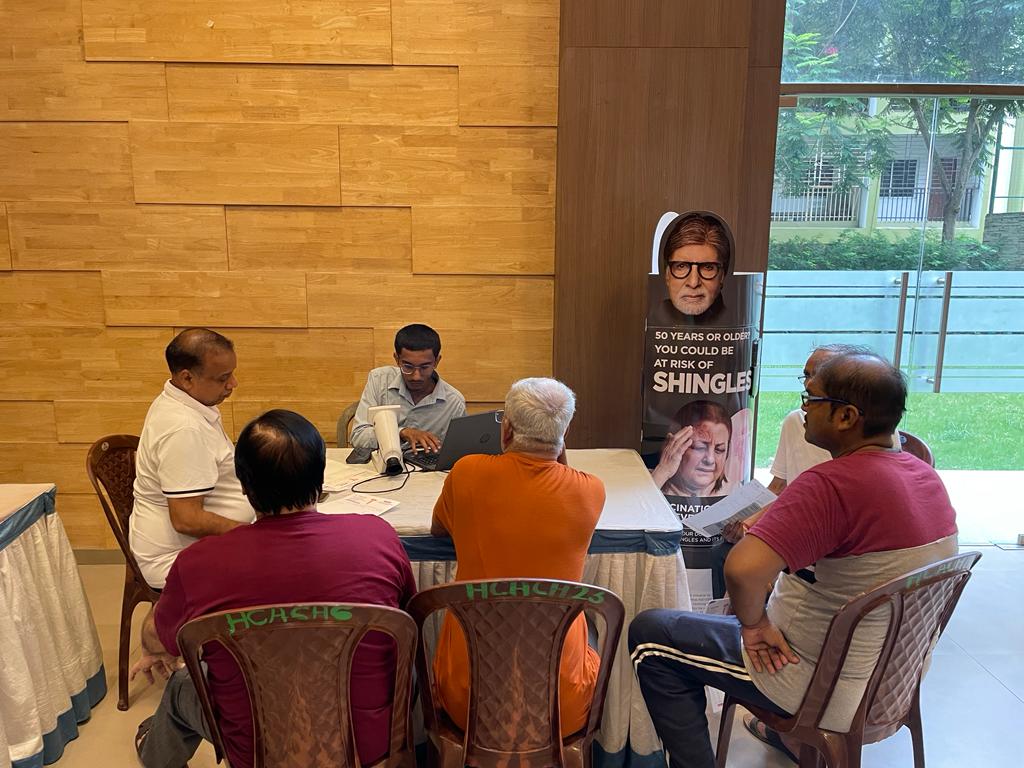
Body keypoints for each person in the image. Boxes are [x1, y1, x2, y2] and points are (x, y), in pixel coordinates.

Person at [629, 352, 957, 768]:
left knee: (651, 635)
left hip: (814, 682)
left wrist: (755, 627)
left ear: (846, 417)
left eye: (812, 399)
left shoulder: (830, 485)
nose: (803, 409)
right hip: (894, 682)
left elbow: (743, 571)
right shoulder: (925, 476)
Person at [130, 410, 416, 768]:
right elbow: (408, 616)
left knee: (181, 685)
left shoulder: (197, 563)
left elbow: (160, 637)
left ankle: (154, 754)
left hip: (256, 749)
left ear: (243, 485)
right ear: (320, 477)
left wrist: (151, 647)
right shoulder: (378, 536)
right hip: (369, 742)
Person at [429, 377, 605, 736]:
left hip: (468, 700)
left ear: (506, 428)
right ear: (566, 432)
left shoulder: (467, 472)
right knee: (594, 633)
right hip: (560, 706)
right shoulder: (591, 490)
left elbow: (438, 530)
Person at [709, 343, 873, 599]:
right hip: (793, 532)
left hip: (812, 547)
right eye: (806, 375)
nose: (809, 384)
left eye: (818, 375)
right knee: (725, 549)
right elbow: (779, 488)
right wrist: (748, 524)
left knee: (744, 564)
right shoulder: (797, 422)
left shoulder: (862, 446)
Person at [131, 328, 255, 589]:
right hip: (177, 558)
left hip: (204, 545)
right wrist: (251, 535)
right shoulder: (183, 429)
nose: (233, 384)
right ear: (187, 378)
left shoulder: (191, 404)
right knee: (288, 563)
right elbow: (186, 519)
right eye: (223, 378)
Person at [349, 323, 467, 454]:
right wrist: (401, 433)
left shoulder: (454, 402)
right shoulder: (379, 381)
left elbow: (458, 452)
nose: (416, 376)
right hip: (383, 464)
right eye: (408, 367)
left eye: (424, 367)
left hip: (429, 466)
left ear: (436, 361)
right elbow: (358, 436)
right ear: (397, 359)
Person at [651, 212, 732, 324]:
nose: (693, 283)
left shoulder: (738, 321)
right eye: (681, 266)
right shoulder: (653, 318)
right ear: (667, 274)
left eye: (707, 267)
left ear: (722, 276)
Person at [651, 400, 732, 497]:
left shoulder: (735, 489)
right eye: (699, 447)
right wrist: (663, 471)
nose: (710, 460)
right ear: (672, 445)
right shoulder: (646, 481)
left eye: (719, 450)